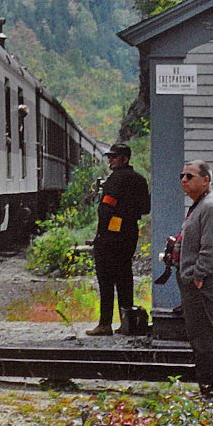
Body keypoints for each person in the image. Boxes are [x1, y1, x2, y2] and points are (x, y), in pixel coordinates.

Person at [176, 159, 213, 395]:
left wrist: (197, 276)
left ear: (206, 180)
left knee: (206, 339)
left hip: (204, 284)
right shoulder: (200, 205)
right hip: (196, 283)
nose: (184, 180)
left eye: (190, 176)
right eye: (182, 176)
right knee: (200, 339)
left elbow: (211, 250)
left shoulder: (212, 207)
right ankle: (207, 389)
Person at [85, 142, 150, 336]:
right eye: (109, 157)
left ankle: (105, 324)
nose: (110, 160)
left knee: (106, 279)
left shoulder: (115, 179)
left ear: (124, 158)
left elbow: (106, 208)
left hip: (110, 235)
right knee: (124, 276)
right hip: (130, 232)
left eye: (113, 157)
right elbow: (145, 209)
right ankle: (127, 323)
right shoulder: (140, 180)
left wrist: (102, 232)